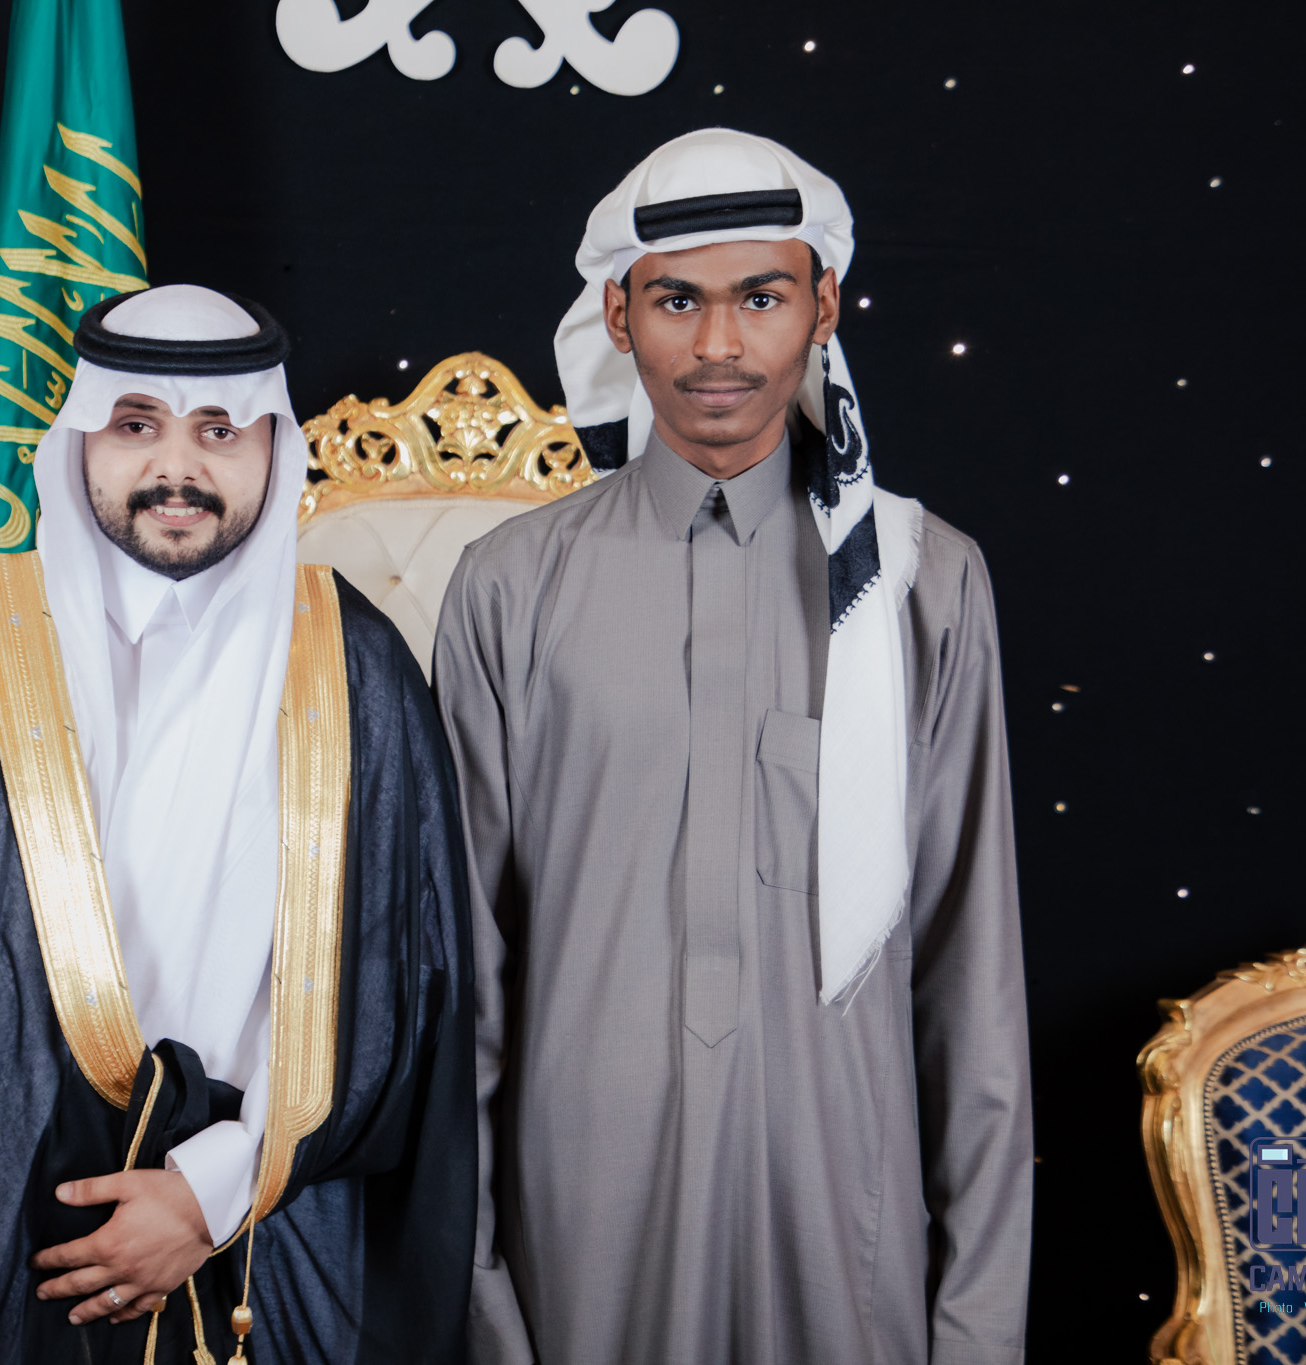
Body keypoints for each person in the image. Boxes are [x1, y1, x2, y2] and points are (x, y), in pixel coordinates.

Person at [0, 284, 477, 1365]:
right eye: (136, 425)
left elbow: (405, 986)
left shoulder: (355, 662)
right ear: (81, 438)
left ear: (272, 448)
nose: (175, 468)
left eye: (219, 432)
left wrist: (208, 1193)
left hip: (274, 1239)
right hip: (3, 1227)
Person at [435, 129, 1033, 1364]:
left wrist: (975, 1332)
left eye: (760, 298)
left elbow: (971, 983)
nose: (718, 345)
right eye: (676, 301)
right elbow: (464, 978)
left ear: (824, 305)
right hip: (577, 1226)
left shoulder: (922, 580)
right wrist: (480, 1299)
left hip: (842, 1216)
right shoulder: (509, 585)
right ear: (616, 315)